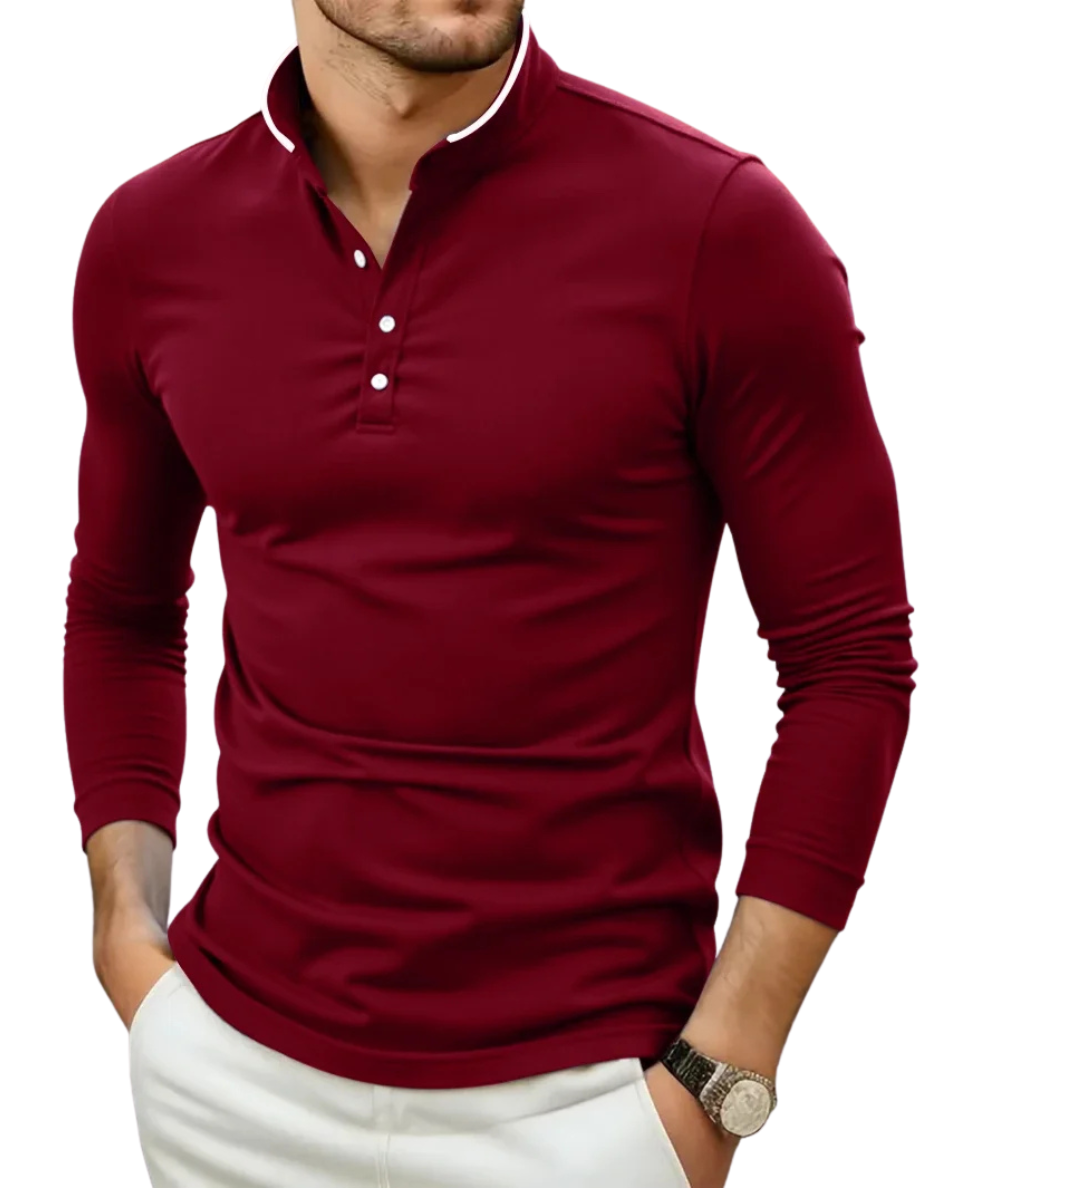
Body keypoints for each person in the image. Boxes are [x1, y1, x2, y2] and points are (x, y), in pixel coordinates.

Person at [63, 2, 917, 1185]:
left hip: (588, 1108)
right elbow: (123, 610)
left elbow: (849, 660)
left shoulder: (718, 229)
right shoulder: (152, 242)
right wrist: (127, 935)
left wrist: (723, 1072)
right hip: (227, 1078)